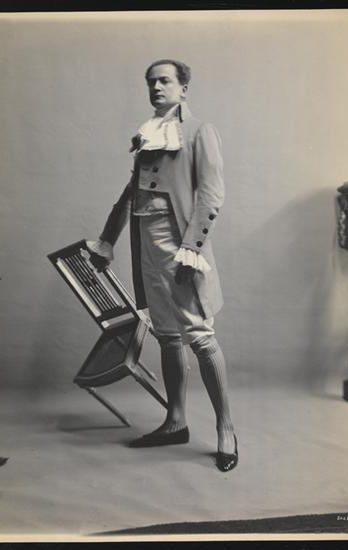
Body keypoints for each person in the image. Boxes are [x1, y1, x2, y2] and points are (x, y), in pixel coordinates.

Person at [88, 59, 238, 472]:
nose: (156, 87)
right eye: (151, 82)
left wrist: (191, 250)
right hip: (147, 250)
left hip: (180, 248)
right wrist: (107, 239)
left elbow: (211, 195)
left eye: (165, 81)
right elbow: (131, 194)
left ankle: (226, 429)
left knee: (200, 337)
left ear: (183, 88)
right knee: (168, 337)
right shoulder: (148, 134)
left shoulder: (200, 131)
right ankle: (175, 421)